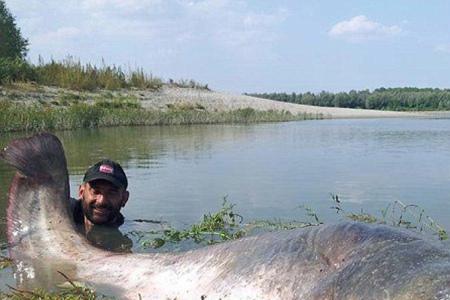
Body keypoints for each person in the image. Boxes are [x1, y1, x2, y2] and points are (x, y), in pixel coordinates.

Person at [70, 159, 133, 252]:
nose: (101, 201)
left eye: (111, 193)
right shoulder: (62, 211)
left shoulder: (128, 229)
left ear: (125, 198)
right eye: (96, 191)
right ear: (81, 192)